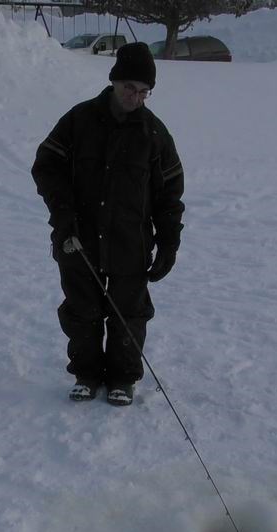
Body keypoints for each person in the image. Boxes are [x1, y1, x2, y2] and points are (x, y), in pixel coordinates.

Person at [32, 42, 185, 406]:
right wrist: (62, 214)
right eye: (130, 88)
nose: (136, 97)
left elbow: (170, 194)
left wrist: (168, 243)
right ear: (114, 81)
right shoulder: (79, 120)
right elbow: (46, 166)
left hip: (130, 241)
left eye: (144, 91)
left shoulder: (154, 134)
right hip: (77, 237)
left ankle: (122, 377)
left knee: (128, 312)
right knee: (82, 308)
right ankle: (86, 373)